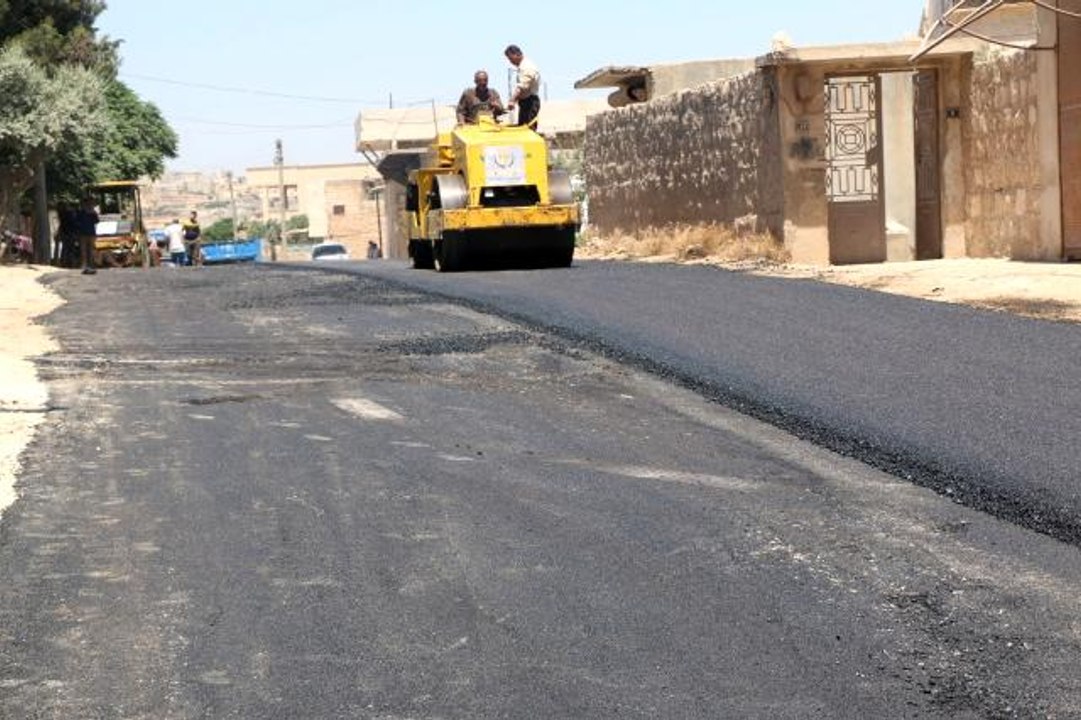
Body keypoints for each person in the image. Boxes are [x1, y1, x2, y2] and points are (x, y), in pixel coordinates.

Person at [504, 44, 541, 130]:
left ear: (516, 55)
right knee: (522, 128)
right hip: (525, 102)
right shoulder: (522, 66)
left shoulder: (527, 66)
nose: (510, 61)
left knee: (528, 129)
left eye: (510, 58)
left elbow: (522, 86)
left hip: (530, 102)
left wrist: (512, 100)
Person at [74, 197, 98, 275]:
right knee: (83, 249)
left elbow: (96, 221)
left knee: (91, 249)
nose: (88, 205)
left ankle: (91, 264)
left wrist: (93, 213)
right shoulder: (80, 212)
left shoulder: (93, 212)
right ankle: (84, 264)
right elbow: (76, 221)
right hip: (83, 233)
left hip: (91, 232)